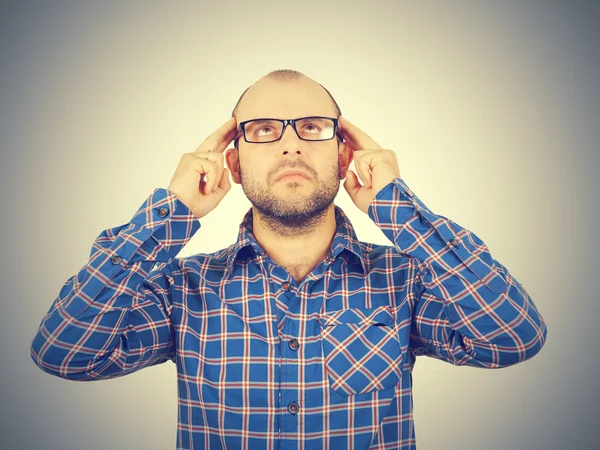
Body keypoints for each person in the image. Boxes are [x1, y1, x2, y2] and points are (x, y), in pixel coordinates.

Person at [30, 69, 547, 449]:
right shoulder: (181, 289)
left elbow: (514, 337)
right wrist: (171, 214)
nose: (290, 146)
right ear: (232, 159)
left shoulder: (404, 279)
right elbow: (63, 353)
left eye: (314, 127)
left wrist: (397, 209)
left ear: (344, 153)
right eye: (262, 130)